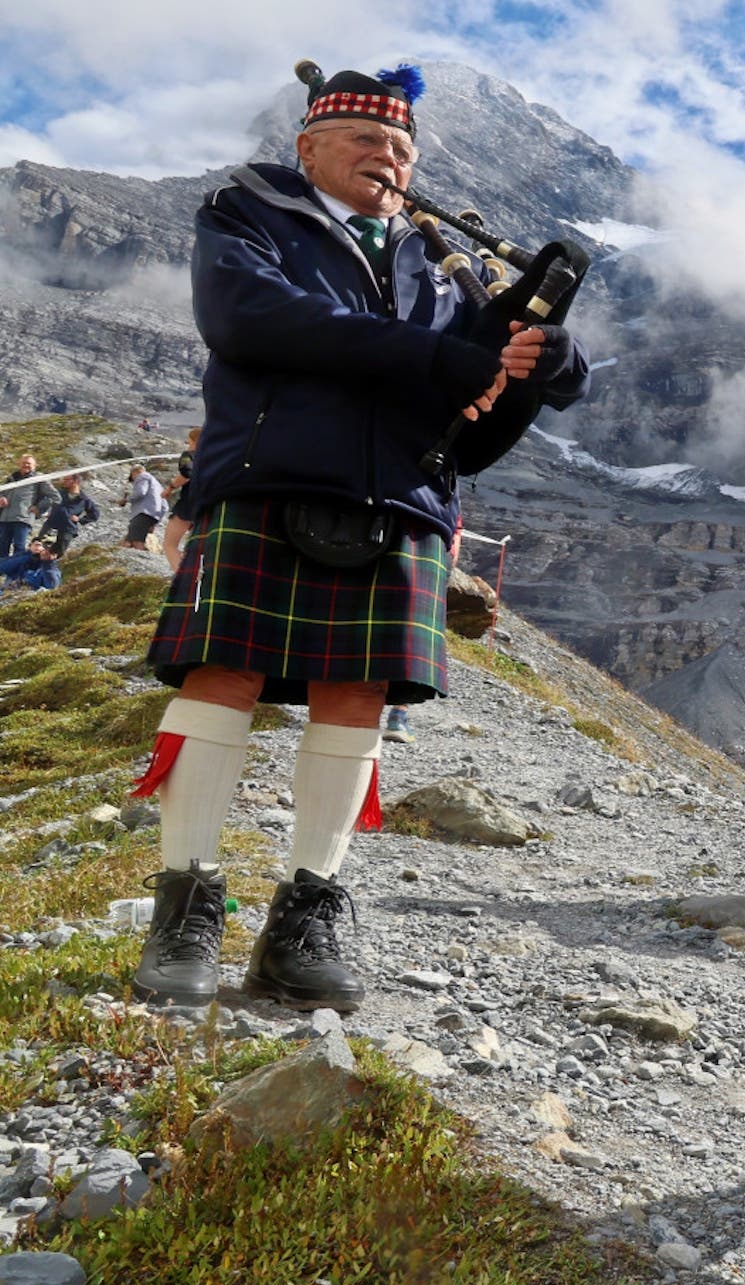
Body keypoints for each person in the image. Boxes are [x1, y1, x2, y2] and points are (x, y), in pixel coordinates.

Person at [127, 59, 587, 1013]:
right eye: (368, 140)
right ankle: (186, 909)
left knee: (359, 691)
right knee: (225, 675)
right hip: (272, 476)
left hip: (401, 497)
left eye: (402, 146)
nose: (389, 156)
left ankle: (305, 918)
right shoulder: (247, 216)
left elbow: (475, 415)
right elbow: (253, 320)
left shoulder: (442, 271)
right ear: (308, 148)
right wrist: (440, 354)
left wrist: (545, 367)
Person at [0, 455, 57, 559]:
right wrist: (2, 498)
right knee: (2, 546)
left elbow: (54, 496)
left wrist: (39, 507)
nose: (26, 465)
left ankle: (15, 574)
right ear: (19, 464)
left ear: (34, 466)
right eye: (23, 463)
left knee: (19, 546)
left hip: (23, 518)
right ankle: (2, 570)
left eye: (29, 463)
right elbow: (2, 492)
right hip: (5, 518)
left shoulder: (38, 478)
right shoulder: (11, 478)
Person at [39, 472, 99, 551]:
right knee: (39, 549)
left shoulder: (84, 500)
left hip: (67, 530)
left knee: (56, 553)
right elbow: (46, 500)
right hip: (51, 525)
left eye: (66, 479)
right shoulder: (58, 493)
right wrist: (42, 510)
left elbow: (95, 514)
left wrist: (80, 519)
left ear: (75, 481)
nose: (63, 481)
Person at [120, 461, 167, 550]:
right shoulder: (157, 485)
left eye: (132, 478)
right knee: (132, 539)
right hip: (153, 515)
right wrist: (155, 521)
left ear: (135, 472)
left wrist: (126, 499)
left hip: (143, 513)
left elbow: (141, 492)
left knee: (136, 542)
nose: (133, 481)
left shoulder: (142, 477)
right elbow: (165, 506)